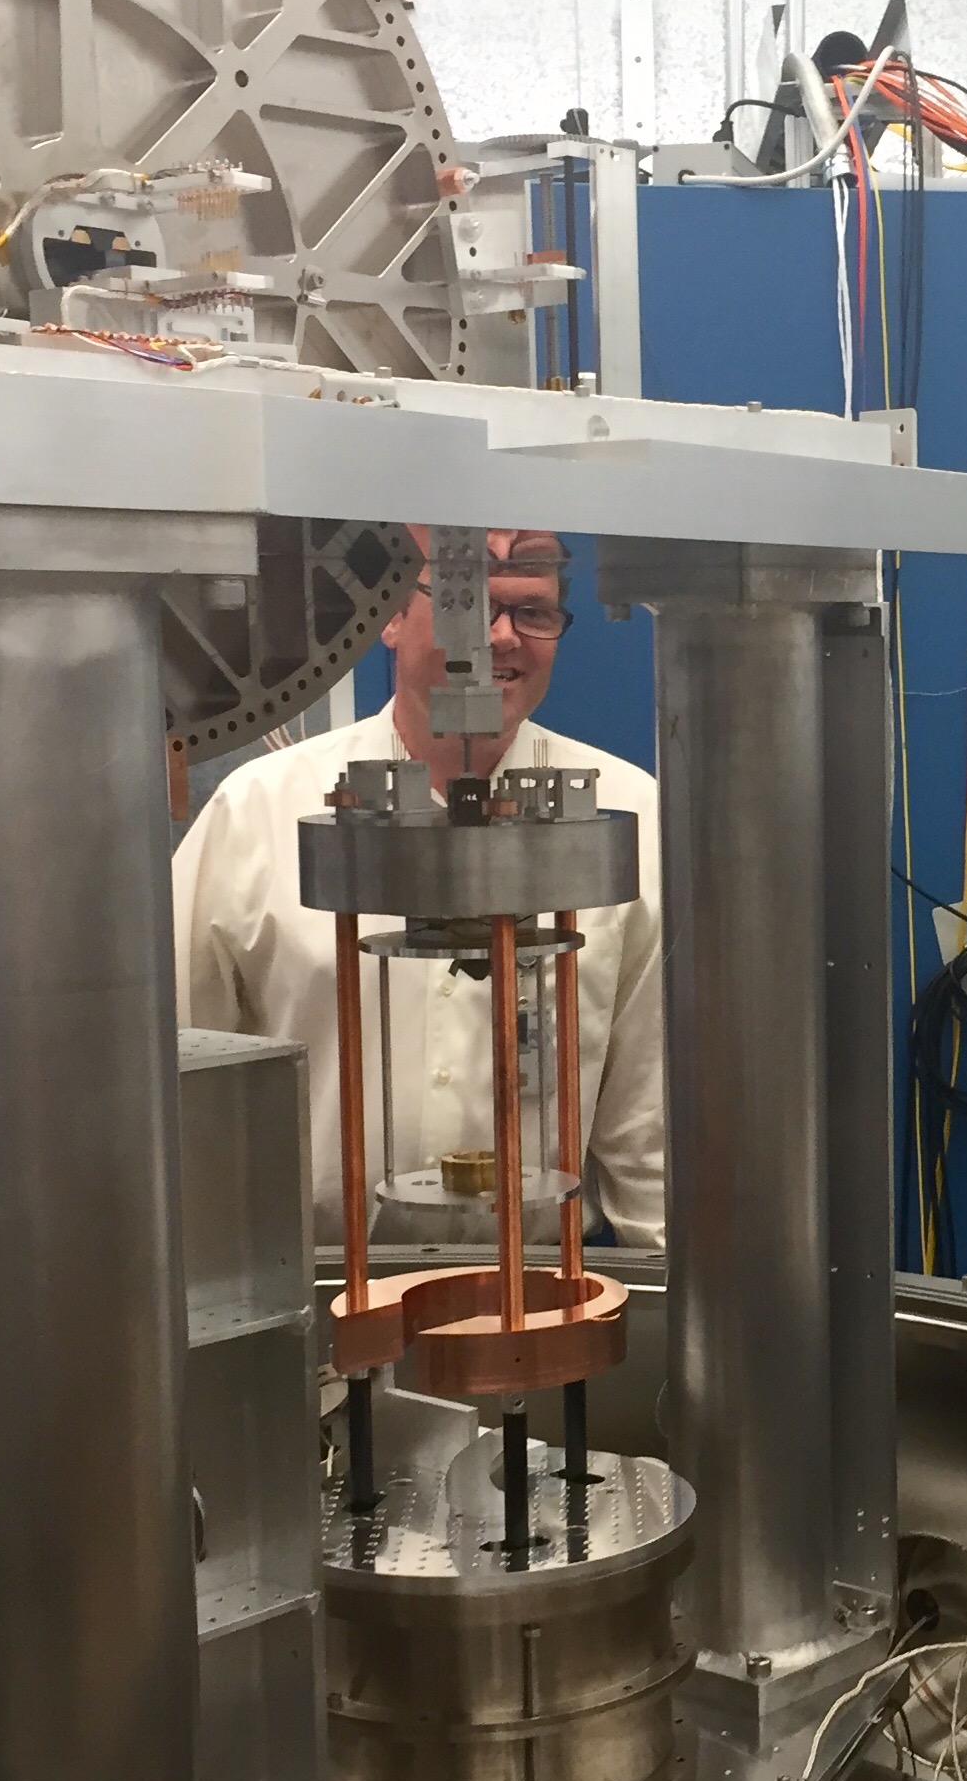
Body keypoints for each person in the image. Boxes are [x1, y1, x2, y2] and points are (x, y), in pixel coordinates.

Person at [172, 529, 666, 1253]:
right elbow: (181, 1079)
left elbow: (648, 1122)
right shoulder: (260, 811)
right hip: (321, 1297)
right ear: (389, 618)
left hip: (540, 1294)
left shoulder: (627, 815)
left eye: (532, 612)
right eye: (471, 604)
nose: (500, 639)